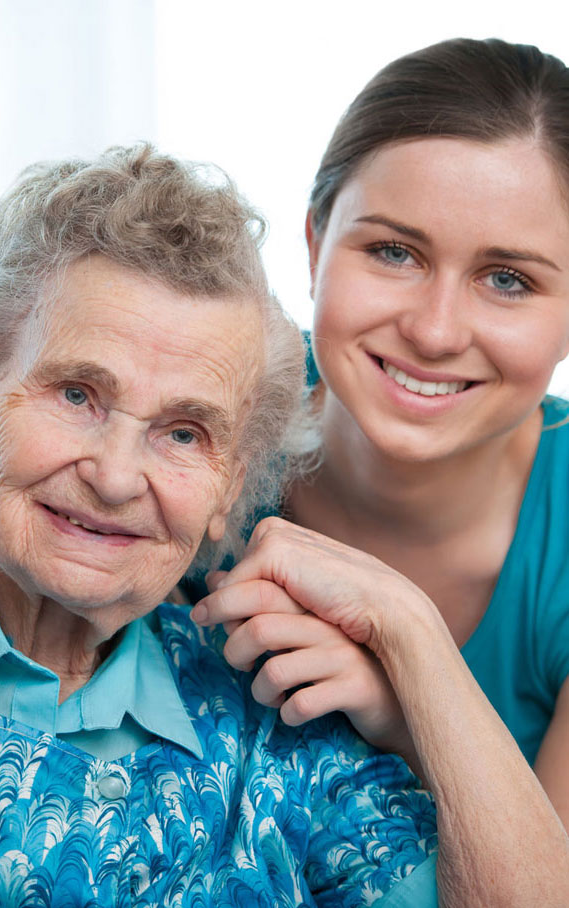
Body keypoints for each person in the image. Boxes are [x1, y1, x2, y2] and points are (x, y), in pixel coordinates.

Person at [0, 144, 440, 906]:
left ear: (230, 487)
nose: (114, 475)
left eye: (183, 434)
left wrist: (414, 637)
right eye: (76, 394)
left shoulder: (281, 726)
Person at [190, 37, 569, 906]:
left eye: (506, 279)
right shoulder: (201, 404)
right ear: (317, 241)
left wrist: (411, 674)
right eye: (394, 252)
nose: (435, 331)